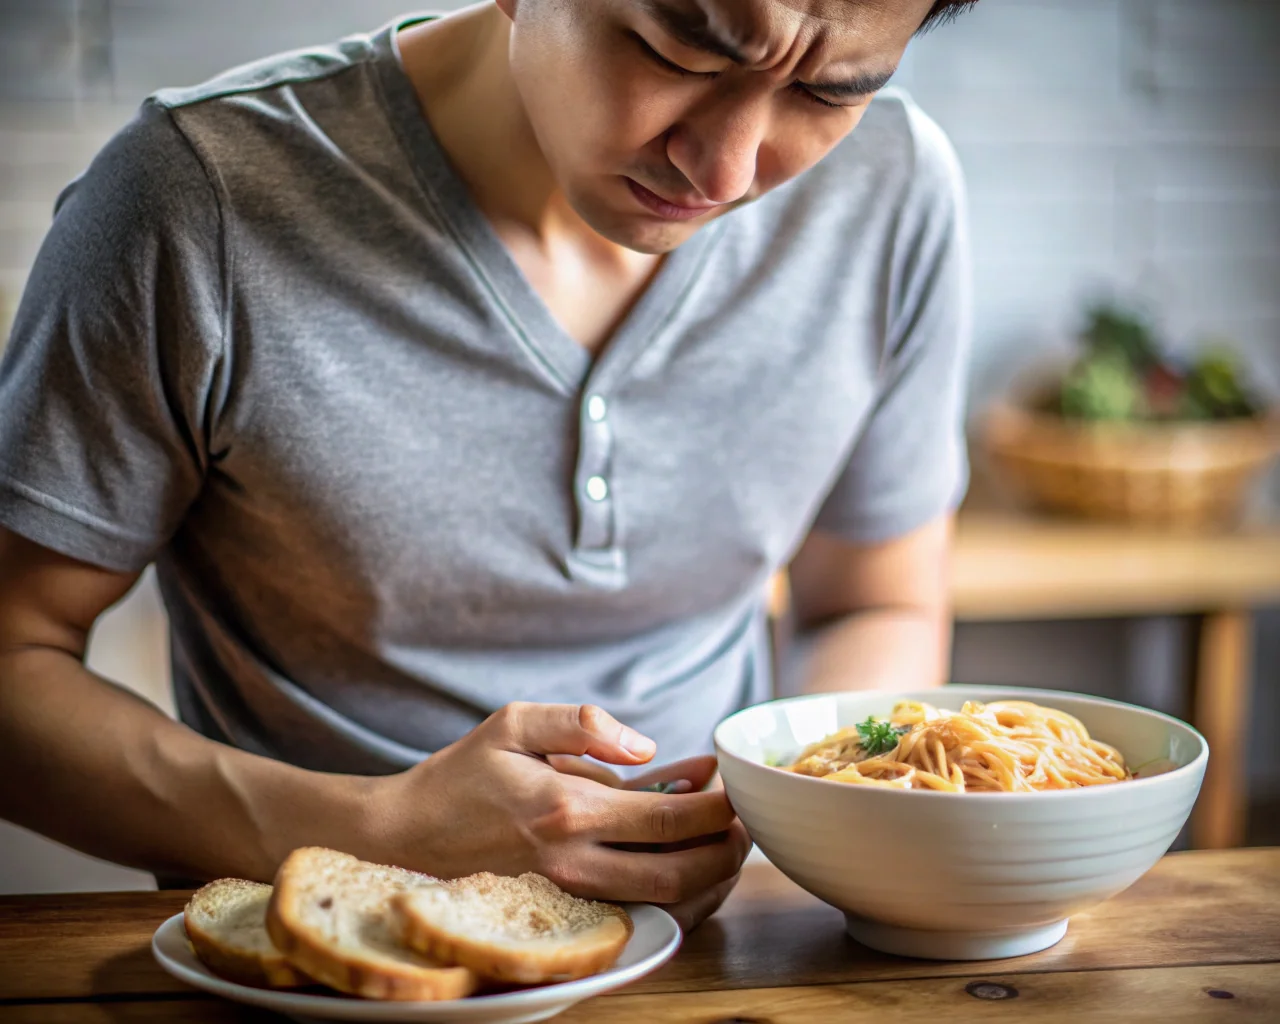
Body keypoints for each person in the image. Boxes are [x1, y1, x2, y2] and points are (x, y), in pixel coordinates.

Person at [0, 0, 975, 931]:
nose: (723, 168)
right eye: (679, 54)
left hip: (734, 951)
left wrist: (779, 798)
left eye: (828, 92)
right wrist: (375, 833)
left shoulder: (891, 189)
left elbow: (871, 606)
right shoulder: (195, 195)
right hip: (313, 975)